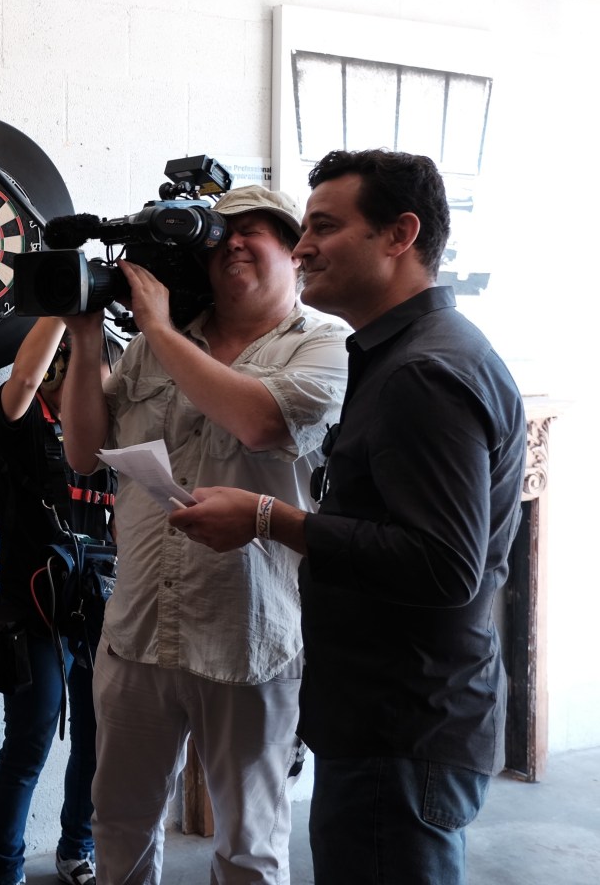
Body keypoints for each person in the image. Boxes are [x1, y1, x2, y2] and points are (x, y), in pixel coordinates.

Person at [172, 150, 525, 885]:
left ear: (400, 234)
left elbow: (444, 565)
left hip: (400, 726)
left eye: (324, 227)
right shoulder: (406, 354)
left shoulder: (423, 372)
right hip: (388, 717)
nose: (302, 249)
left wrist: (269, 517)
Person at [59, 185, 349, 885]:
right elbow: (82, 451)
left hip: (248, 636)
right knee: (118, 822)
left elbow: (261, 422)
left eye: (256, 230)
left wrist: (158, 331)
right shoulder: (157, 343)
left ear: (294, 253)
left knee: (249, 846)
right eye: (222, 234)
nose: (234, 243)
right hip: (139, 629)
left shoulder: (324, 344)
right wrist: (87, 337)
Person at [0, 316, 115, 885]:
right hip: (33, 612)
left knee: (96, 741)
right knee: (30, 741)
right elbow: (24, 380)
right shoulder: (26, 420)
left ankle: (76, 848)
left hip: (98, 608)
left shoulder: (113, 436)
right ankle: (2, 869)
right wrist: (64, 308)